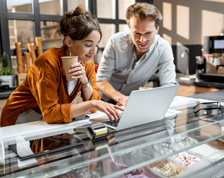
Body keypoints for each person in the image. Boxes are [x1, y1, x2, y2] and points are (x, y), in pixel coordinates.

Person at [1, 6, 122, 127]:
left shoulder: (87, 62)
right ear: (69, 42)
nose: (94, 51)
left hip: (48, 117)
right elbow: (51, 113)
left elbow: (93, 108)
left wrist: (85, 81)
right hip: (22, 115)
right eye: (88, 45)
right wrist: (92, 104)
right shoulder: (47, 62)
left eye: (96, 45)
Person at [96, 3, 177, 106]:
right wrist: (121, 99)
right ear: (129, 28)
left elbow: (168, 86)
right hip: (102, 100)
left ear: (157, 28)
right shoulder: (116, 42)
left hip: (129, 103)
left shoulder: (163, 48)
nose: (142, 40)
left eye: (148, 33)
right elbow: (101, 80)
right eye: (137, 33)